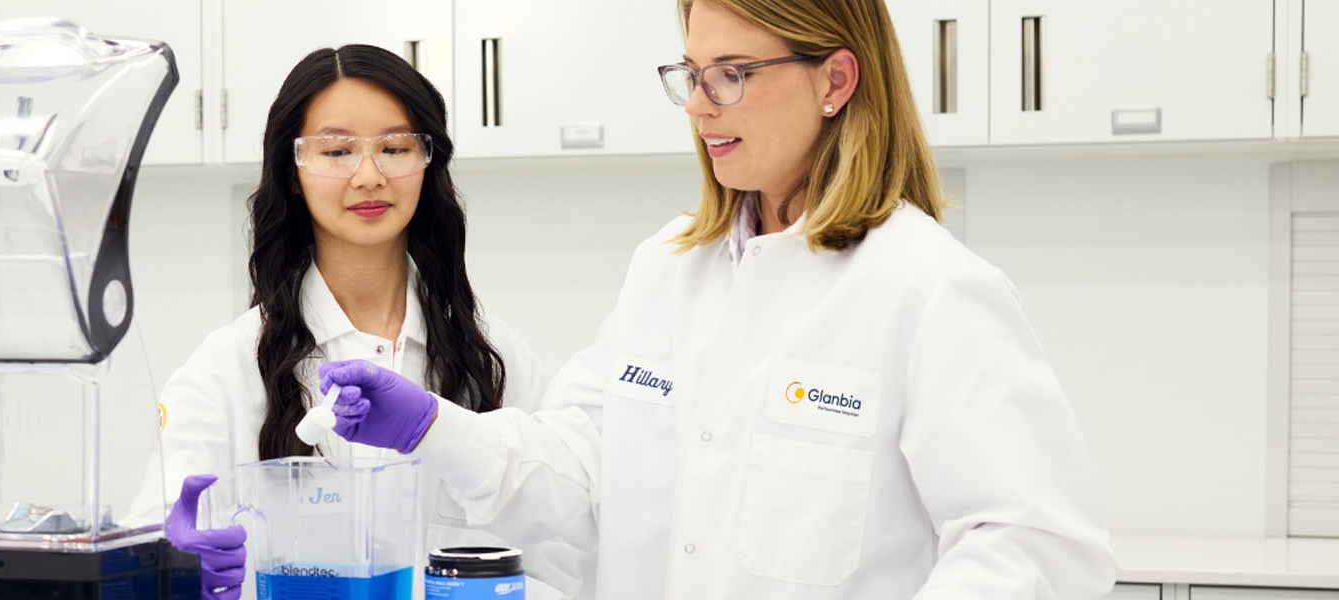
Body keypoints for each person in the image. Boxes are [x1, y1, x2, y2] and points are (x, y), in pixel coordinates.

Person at [314, 0, 1118, 598]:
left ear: (836, 79)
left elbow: (1038, 547)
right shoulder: (666, 268)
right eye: (692, 76)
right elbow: (584, 475)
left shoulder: (927, 288)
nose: (699, 106)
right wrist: (433, 426)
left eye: (732, 75)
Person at [156, 44, 587, 600]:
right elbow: (167, 537)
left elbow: (562, 560)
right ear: (293, 172)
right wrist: (175, 573)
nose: (368, 175)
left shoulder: (494, 359)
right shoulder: (224, 372)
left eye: (393, 147)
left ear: (427, 162)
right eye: (336, 151)